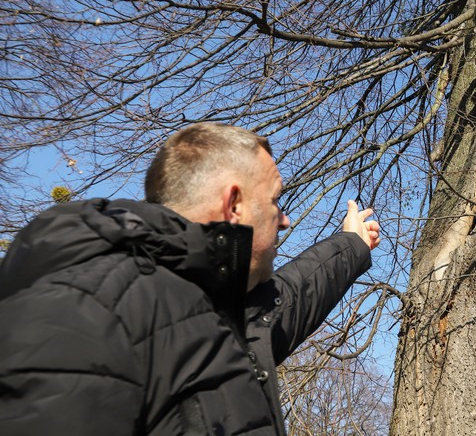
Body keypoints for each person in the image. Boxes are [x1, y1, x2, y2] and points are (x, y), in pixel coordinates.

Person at [0, 122, 380, 435]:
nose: (285, 219)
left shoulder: (212, 314)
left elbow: (292, 297)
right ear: (234, 204)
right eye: (276, 200)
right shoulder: (84, 310)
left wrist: (352, 243)